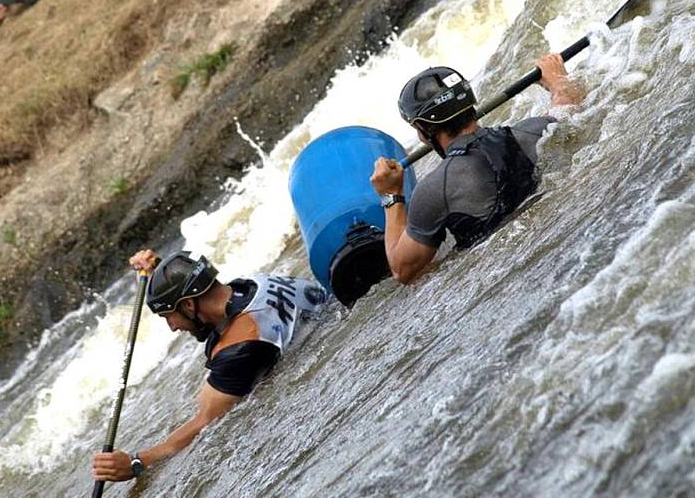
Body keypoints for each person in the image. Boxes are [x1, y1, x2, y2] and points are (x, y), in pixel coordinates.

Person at [92, 249, 328, 482]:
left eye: (167, 316)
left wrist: (137, 462)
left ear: (188, 306)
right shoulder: (249, 284)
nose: (172, 327)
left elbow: (205, 422)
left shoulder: (241, 348)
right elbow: (198, 294)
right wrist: (164, 273)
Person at [369, 53, 585, 284]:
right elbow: (569, 103)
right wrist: (556, 79)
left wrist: (391, 195)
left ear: (423, 127)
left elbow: (403, 270)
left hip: (505, 276)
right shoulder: (531, 133)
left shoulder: (434, 190)